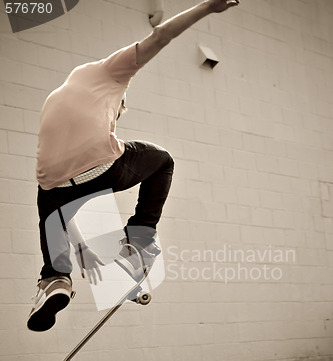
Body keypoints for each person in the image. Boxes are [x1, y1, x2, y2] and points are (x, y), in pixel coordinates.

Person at [27, 0, 240, 332]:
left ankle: (55, 279)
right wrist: (208, 8)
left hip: (55, 182)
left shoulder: (57, 97)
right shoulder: (112, 72)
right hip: (101, 166)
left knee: (48, 203)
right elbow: (161, 35)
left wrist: (83, 248)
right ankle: (140, 240)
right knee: (163, 161)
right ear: (121, 96)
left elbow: (61, 211)